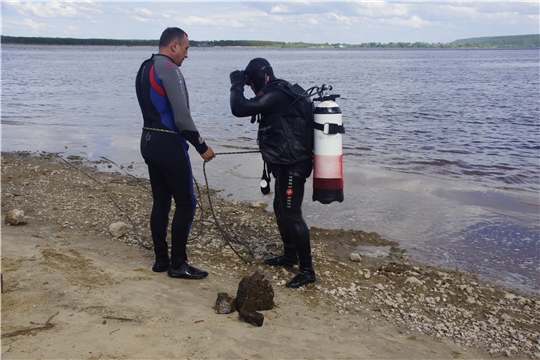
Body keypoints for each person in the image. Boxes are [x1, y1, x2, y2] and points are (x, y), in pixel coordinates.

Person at [135, 27, 215, 279]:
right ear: (173, 46)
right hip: (168, 144)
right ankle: (178, 265)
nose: (186, 54)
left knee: (161, 200)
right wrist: (202, 146)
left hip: (148, 140)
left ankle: (161, 260)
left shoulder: (144, 67)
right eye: (186, 48)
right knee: (186, 203)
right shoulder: (170, 70)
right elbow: (182, 117)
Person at [229, 58, 316, 288]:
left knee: (291, 214)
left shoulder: (276, 93)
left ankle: (307, 271)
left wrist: (236, 84)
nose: (252, 89)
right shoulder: (281, 91)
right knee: (280, 208)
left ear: (259, 77)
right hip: (286, 162)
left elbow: (239, 108)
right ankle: (290, 256)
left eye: (250, 84)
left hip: (294, 164)